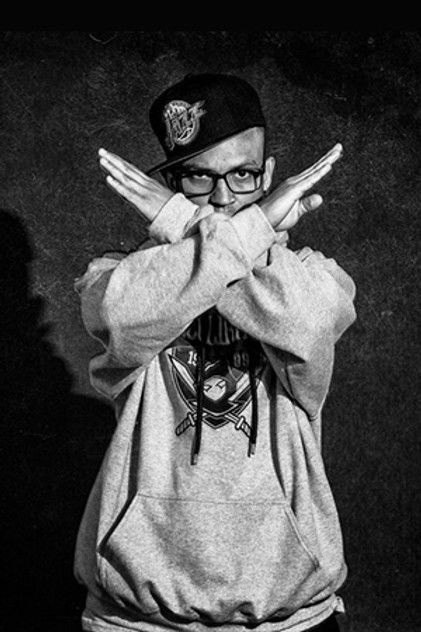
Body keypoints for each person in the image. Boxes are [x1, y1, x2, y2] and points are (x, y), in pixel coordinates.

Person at [73, 73, 356, 632]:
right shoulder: (115, 276)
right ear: (172, 182)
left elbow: (305, 327)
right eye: (200, 178)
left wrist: (187, 221)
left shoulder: (315, 278)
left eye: (243, 175)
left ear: (268, 175)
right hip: (139, 619)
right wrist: (246, 228)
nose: (224, 198)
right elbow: (121, 317)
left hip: (288, 616)